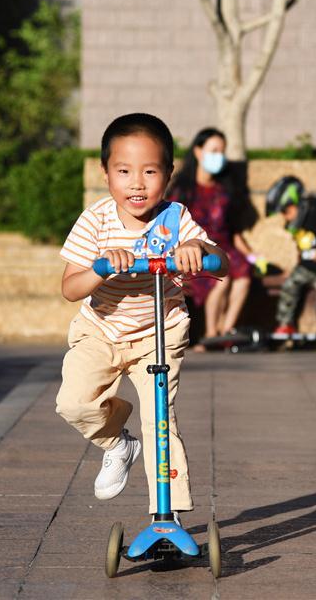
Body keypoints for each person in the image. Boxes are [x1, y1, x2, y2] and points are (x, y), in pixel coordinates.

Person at [56, 113, 229, 517]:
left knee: (160, 422)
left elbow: (221, 264)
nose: (137, 183)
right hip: (100, 330)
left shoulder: (176, 219)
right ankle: (118, 443)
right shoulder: (95, 220)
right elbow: (69, 288)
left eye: (150, 171)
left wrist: (198, 253)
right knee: (73, 402)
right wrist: (100, 267)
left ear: (168, 174)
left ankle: (167, 515)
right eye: (124, 171)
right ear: (105, 173)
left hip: (159, 333)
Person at [168, 128, 258, 346]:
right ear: (198, 151)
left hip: (225, 246)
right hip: (196, 248)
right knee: (222, 277)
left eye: (222, 151)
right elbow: (170, 226)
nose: (219, 155)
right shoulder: (183, 190)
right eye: (214, 150)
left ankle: (226, 331)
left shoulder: (224, 189)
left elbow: (233, 229)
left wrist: (253, 255)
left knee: (244, 271)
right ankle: (211, 334)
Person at [266, 176, 316, 353]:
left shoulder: (315, 209)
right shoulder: (293, 224)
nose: (285, 217)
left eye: (286, 211)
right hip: (306, 267)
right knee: (289, 286)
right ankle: (286, 324)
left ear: (295, 203)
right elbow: (300, 246)